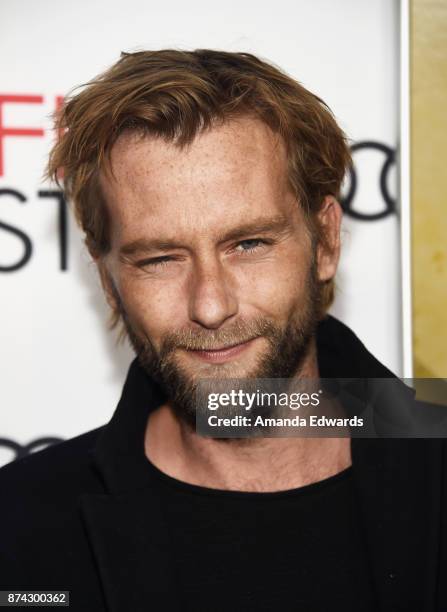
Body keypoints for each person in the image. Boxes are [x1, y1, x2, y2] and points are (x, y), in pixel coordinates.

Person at [0, 49, 445, 612]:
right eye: (160, 258)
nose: (210, 306)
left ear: (326, 240)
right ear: (108, 280)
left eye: (249, 244)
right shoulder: (20, 526)